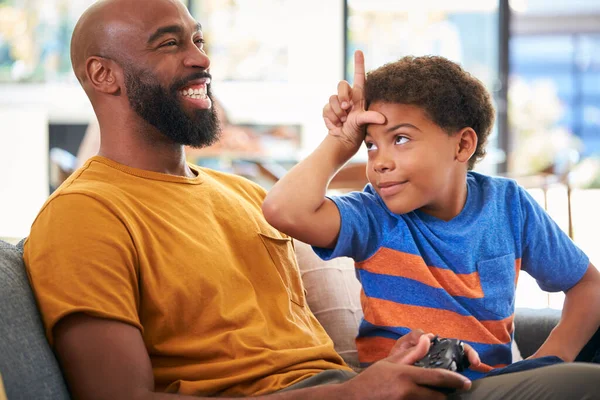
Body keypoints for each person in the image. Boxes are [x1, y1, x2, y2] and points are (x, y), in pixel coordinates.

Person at [22, 0, 600, 398]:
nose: (201, 58)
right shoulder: (85, 214)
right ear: (104, 74)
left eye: (198, 39)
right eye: (170, 43)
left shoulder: (239, 193)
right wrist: (353, 394)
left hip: (359, 382)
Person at [262, 51, 600, 380]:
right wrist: (339, 140)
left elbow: (588, 285)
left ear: (462, 146)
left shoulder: (508, 205)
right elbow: (282, 210)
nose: (379, 162)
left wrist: (552, 361)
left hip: (495, 384)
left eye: (401, 138)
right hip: (410, 388)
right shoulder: (372, 217)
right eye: (371, 145)